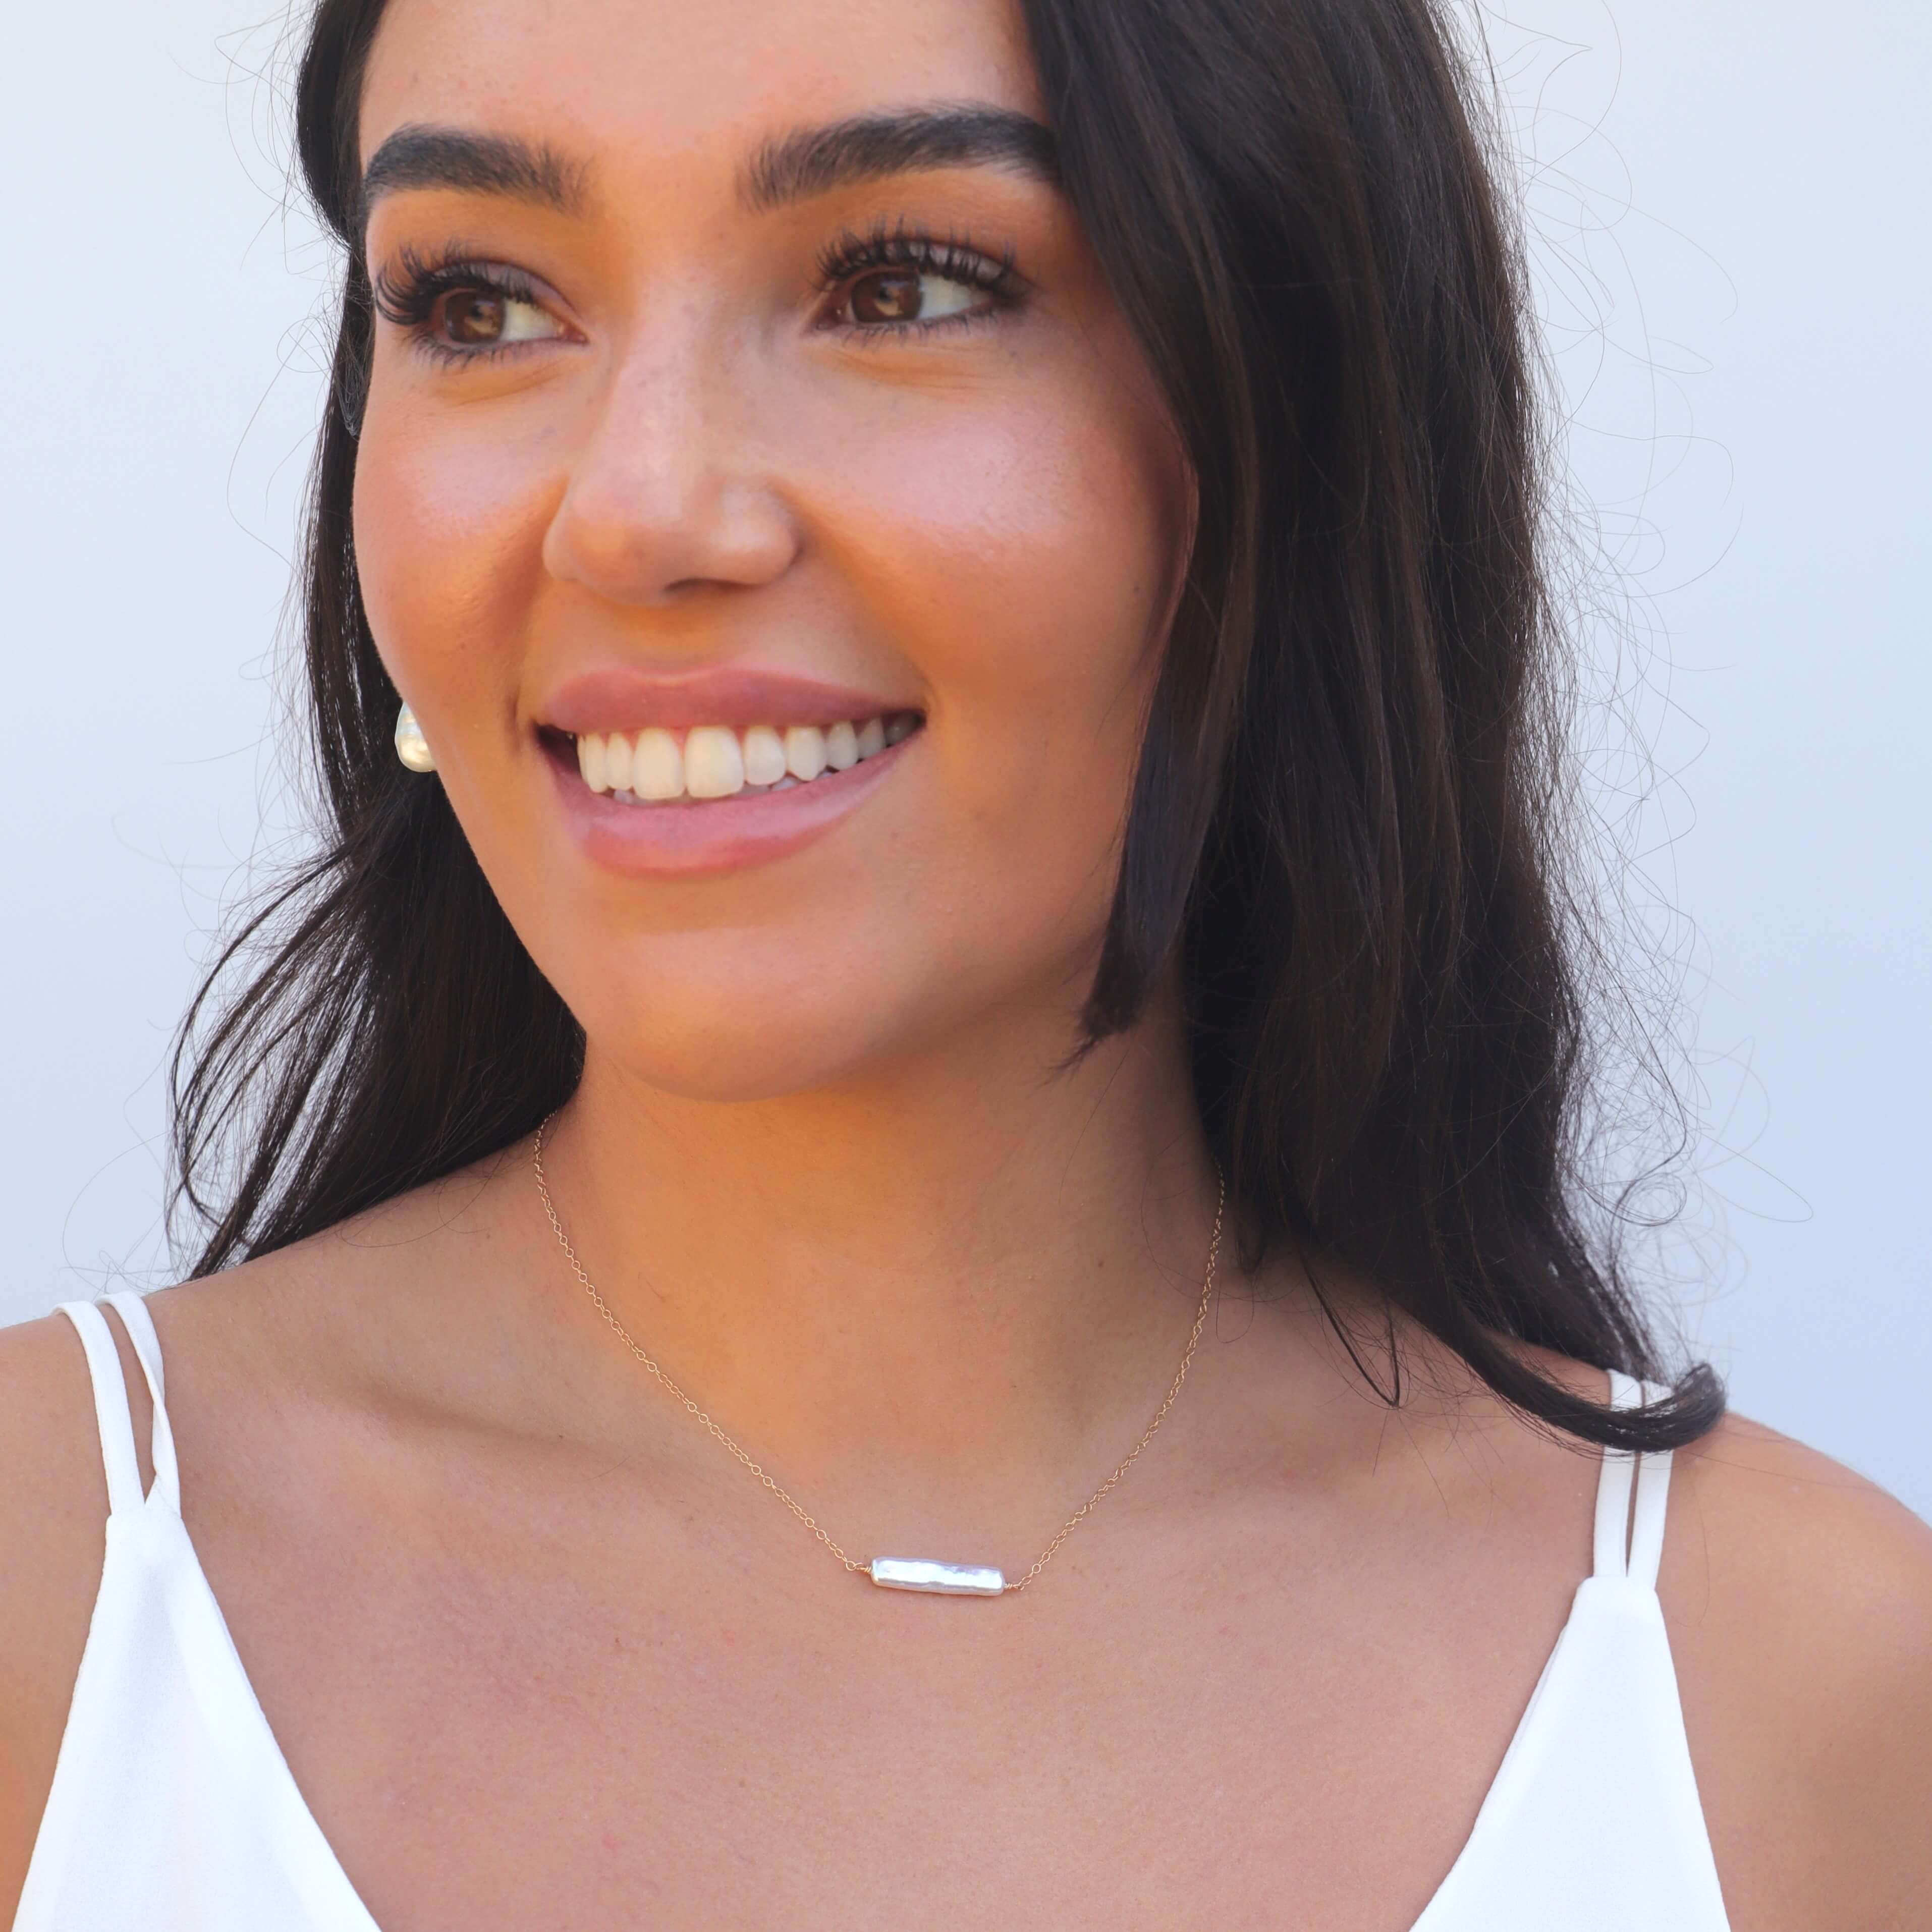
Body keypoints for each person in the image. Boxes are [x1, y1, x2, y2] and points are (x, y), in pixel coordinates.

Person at [3, 0, 1928, 1924]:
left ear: (1297, 406)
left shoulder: (1800, 1712)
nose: (643, 513)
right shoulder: (43, 1594)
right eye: (481, 301)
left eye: (905, 284)